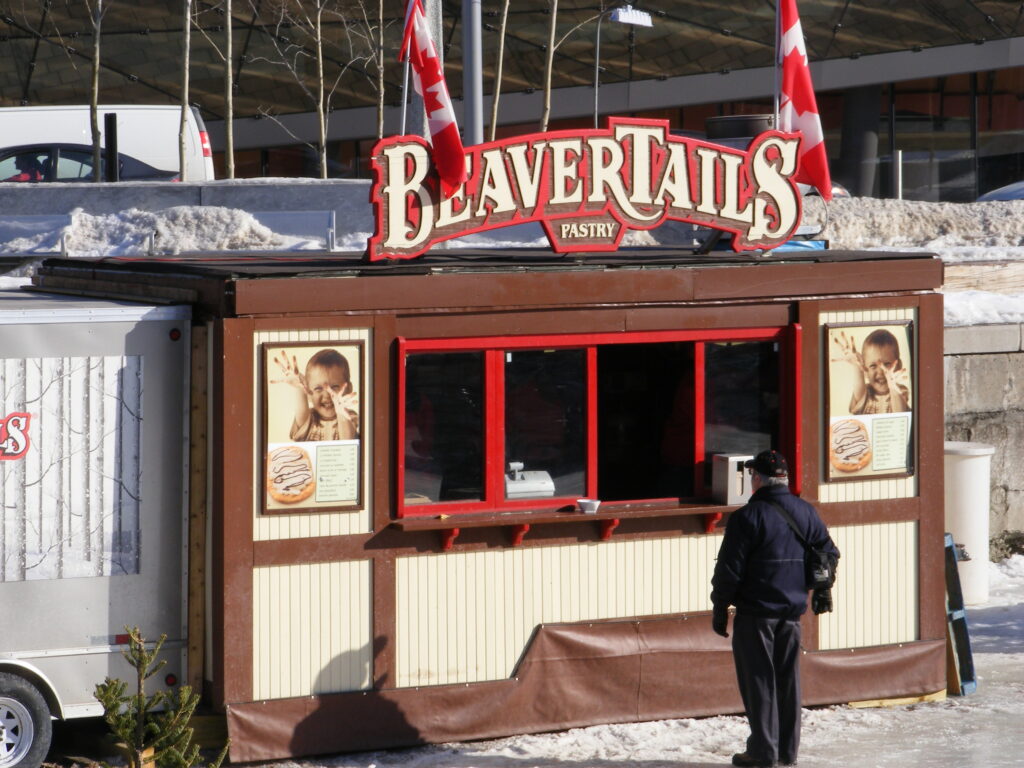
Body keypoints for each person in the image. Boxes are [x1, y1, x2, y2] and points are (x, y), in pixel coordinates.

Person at [710, 449, 839, 768]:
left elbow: (730, 569)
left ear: (757, 479)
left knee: (759, 683)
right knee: (787, 683)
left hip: (756, 614)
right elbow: (829, 553)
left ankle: (763, 752)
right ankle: (786, 752)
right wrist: (822, 589)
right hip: (792, 614)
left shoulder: (746, 518)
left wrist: (719, 606)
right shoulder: (806, 512)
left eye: (752, 476)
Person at [272, 348, 359, 441]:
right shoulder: (308, 419)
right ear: (308, 393)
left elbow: (348, 444)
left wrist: (341, 412)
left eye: (334, 387)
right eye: (318, 388)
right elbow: (301, 405)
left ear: (348, 389)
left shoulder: (351, 417)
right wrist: (299, 388)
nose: (327, 395)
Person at [831, 328, 910, 414]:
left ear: (898, 366)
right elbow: (859, 379)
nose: (880, 372)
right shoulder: (865, 392)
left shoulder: (900, 390)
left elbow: (900, 413)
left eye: (887, 364)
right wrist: (857, 367)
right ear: (865, 370)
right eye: (873, 366)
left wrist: (893, 386)